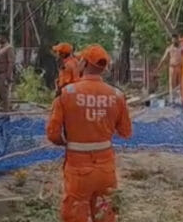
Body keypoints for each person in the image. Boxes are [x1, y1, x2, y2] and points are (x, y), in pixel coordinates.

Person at [46, 44, 132, 222]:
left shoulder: (66, 94)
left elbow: (53, 134)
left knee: (75, 213)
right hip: (106, 167)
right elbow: (125, 132)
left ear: (84, 63)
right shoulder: (117, 95)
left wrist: (68, 141)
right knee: (105, 212)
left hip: (78, 168)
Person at [154, 35, 183, 101]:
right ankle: (172, 99)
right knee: (172, 84)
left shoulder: (181, 47)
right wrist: (158, 67)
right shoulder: (169, 48)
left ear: (178, 39)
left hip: (179, 67)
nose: (174, 41)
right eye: (173, 39)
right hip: (172, 67)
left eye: (176, 39)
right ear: (172, 40)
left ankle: (179, 98)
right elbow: (163, 58)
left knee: (180, 84)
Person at [0, 33, 15, 111]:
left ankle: (6, 111)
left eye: (0, 37)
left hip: (4, 74)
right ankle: (4, 106)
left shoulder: (9, 48)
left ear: (4, 38)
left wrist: (8, 76)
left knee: (4, 93)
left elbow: (11, 62)